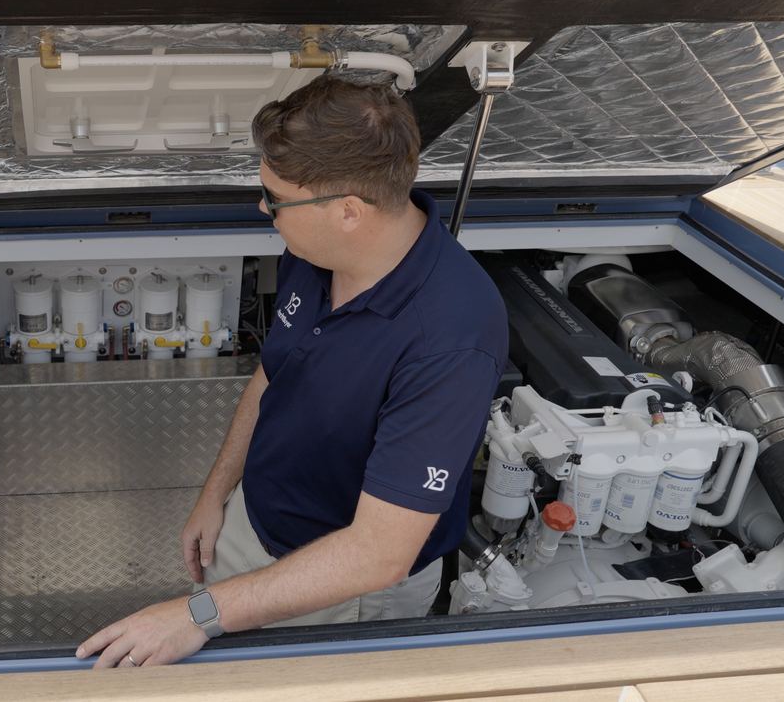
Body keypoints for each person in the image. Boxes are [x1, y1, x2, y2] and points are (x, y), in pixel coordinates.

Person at [76, 76, 508, 669]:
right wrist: (217, 493)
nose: (263, 207)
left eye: (274, 197)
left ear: (348, 211)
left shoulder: (450, 341)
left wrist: (193, 615)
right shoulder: (315, 252)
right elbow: (277, 372)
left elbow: (378, 554)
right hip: (257, 532)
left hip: (344, 593)